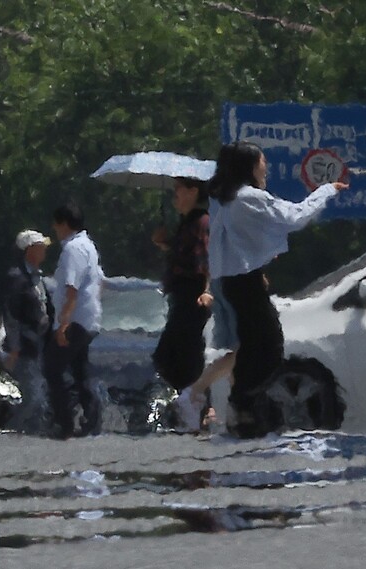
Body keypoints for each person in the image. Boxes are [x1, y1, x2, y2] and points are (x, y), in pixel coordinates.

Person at [207, 141, 349, 438]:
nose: (265, 167)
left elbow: (239, 241)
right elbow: (294, 217)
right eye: (262, 162)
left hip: (235, 281)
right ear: (249, 166)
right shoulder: (249, 198)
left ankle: (243, 408)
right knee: (270, 347)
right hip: (242, 283)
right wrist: (326, 191)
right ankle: (242, 401)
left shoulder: (224, 199)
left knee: (252, 345)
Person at [150, 177, 212, 429]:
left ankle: (199, 409)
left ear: (193, 191)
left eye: (179, 189)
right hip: (180, 298)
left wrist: (208, 290)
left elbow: (208, 259)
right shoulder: (186, 224)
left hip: (193, 298)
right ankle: (187, 406)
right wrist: (165, 243)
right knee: (170, 357)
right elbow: (182, 256)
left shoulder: (202, 222)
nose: (175, 195)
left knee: (183, 357)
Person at [46, 203, 104, 439]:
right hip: (86, 318)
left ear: (65, 224)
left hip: (76, 320)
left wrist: (63, 324)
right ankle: (90, 419)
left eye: (56, 224)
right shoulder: (87, 246)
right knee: (80, 371)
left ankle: (65, 421)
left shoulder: (73, 249)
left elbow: (72, 289)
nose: (54, 229)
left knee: (52, 368)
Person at [2, 229, 55, 436]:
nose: (44, 251)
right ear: (29, 250)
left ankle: (32, 438)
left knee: (42, 396)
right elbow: (11, 316)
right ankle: (10, 432)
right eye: (40, 247)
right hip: (25, 346)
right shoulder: (16, 279)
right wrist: (14, 348)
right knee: (34, 398)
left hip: (41, 344)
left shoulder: (37, 278)